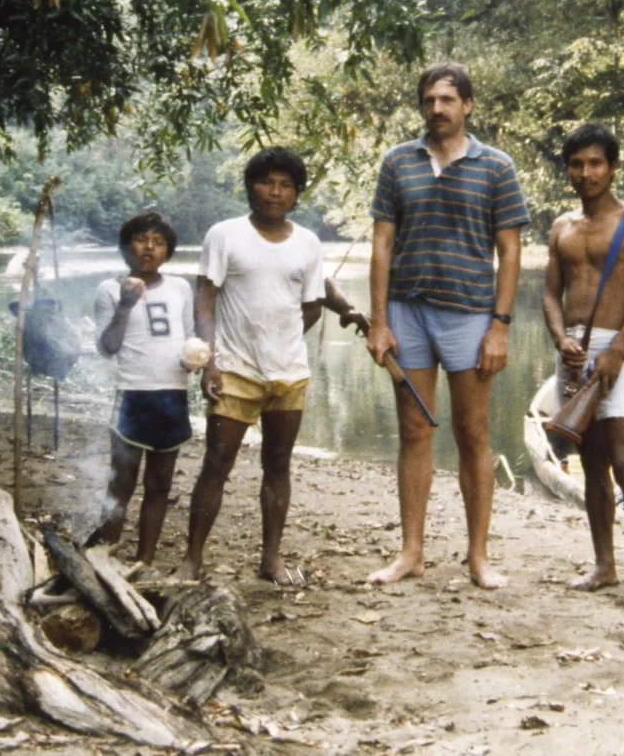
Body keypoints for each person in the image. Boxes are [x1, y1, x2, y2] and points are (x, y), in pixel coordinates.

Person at [365, 62, 529, 590]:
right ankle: (411, 553)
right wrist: (378, 321)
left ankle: (478, 556)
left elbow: (509, 251)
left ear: (468, 106)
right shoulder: (398, 162)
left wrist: (499, 326)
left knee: (472, 433)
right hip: (407, 311)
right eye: (430, 100)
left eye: (448, 100)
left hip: (469, 313)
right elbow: (382, 243)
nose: (438, 109)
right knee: (414, 431)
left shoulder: (496, 167)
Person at [179, 147, 365, 586]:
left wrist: (346, 312)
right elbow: (205, 297)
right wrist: (209, 360)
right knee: (217, 462)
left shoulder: (308, 242)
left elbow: (315, 300)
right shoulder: (225, 235)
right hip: (234, 371)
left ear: (297, 194)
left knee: (278, 464)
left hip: (288, 373)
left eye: (285, 185)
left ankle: (271, 559)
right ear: (249, 186)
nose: (274, 192)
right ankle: (192, 558)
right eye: (266, 182)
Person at [542, 124, 624, 607]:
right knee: (591, 463)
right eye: (577, 164)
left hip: (619, 349)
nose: (586, 172)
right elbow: (551, 294)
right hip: (572, 352)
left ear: (613, 168)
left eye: (596, 163)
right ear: (568, 170)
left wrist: (619, 351)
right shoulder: (561, 227)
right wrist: (558, 338)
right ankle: (604, 566)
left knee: (623, 460)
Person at [89, 211, 196, 566]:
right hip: (133, 394)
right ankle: (105, 555)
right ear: (125, 246)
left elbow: (189, 336)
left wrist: (196, 357)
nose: (149, 247)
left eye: (159, 241)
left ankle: (144, 560)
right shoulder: (109, 288)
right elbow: (107, 347)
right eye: (141, 239)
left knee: (160, 484)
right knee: (121, 482)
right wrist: (124, 304)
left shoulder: (180, 287)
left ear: (168, 250)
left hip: (174, 393)